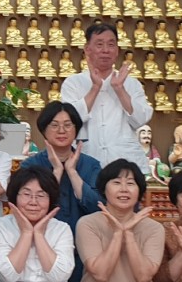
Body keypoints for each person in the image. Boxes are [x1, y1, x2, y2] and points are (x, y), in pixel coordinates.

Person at [19, 102, 102, 282]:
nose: (61, 130)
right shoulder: (30, 165)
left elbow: (98, 207)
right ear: (44, 130)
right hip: (41, 248)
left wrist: (72, 172)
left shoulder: (91, 165)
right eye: (54, 125)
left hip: (84, 250)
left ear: (76, 129)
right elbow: (27, 207)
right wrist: (56, 172)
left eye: (67, 125)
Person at [61, 23, 153, 173]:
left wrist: (120, 89)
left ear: (117, 50)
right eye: (99, 44)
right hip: (87, 160)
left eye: (111, 45)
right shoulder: (73, 83)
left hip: (125, 162)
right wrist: (95, 87)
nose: (105, 50)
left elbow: (141, 119)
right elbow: (71, 119)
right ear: (87, 49)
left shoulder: (131, 84)